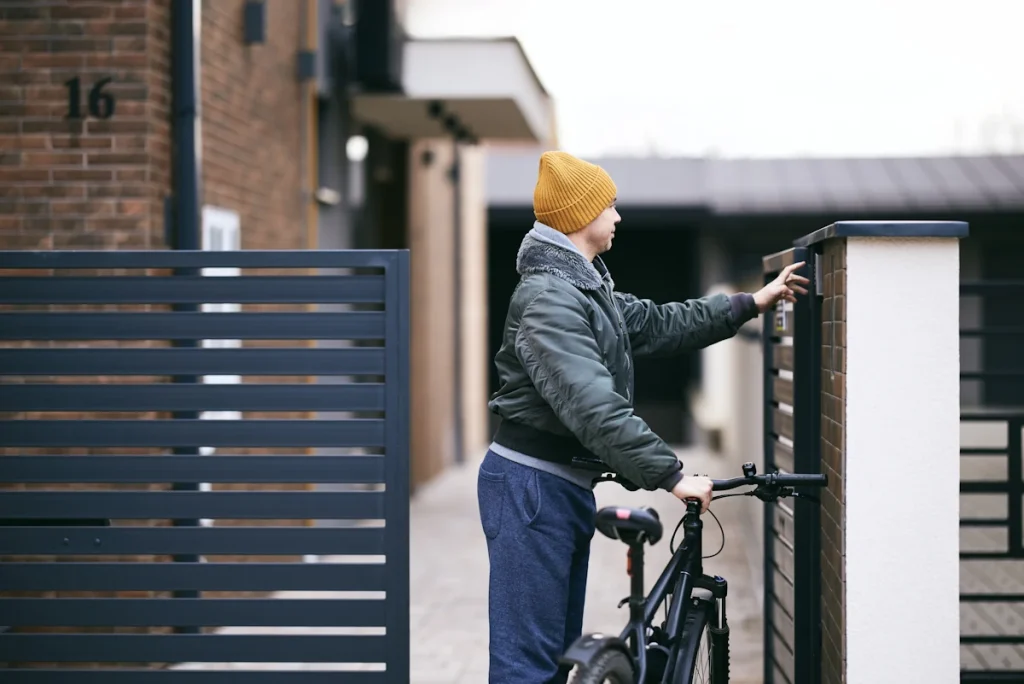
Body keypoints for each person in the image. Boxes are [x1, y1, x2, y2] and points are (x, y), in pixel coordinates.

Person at [479, 150, 809, 683]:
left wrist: (749, 304)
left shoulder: (584, 288)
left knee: (556, 660)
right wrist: (672, 474)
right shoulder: (548, 300)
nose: (617, 216)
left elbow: (659, 322)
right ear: (580, 215)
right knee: (527, 667)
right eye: (608, 205)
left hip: (558, 486)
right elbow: (591, 404)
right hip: (531, 488)